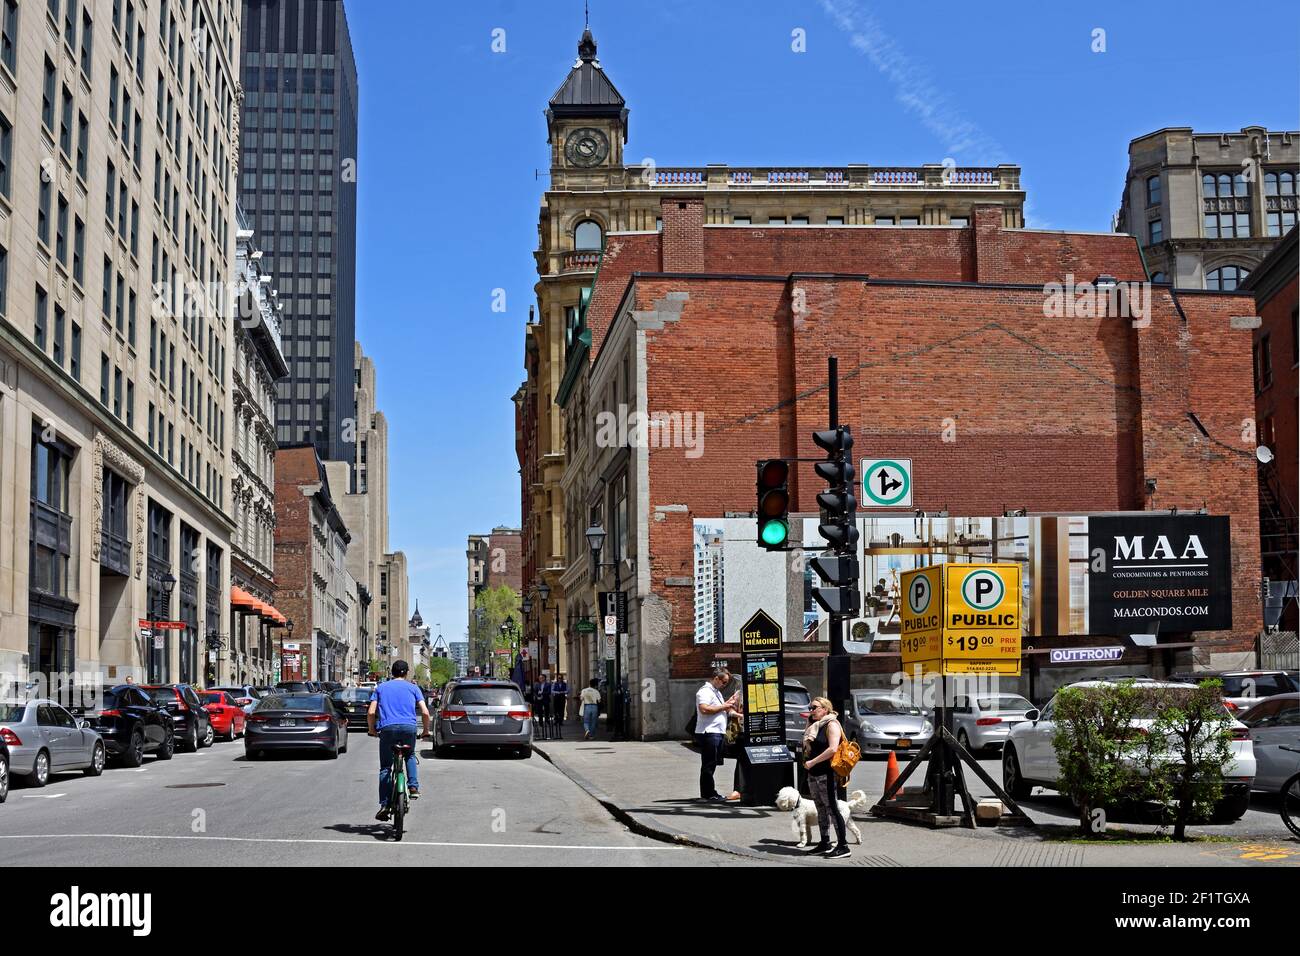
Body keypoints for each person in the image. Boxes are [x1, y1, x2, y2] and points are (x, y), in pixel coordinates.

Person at [367, 659, 431, 821]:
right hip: (409, 728)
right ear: (407, 672)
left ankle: (385, 804)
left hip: (387, 729)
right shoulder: (413, 688)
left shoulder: (381, 688)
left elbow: (371, 712)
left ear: (392, 673)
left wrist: (372, 729)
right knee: (409, 755)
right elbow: (424, 712)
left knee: (386, 768)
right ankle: (413, 787)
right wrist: (425, 731)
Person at [801, 696, 851, 858]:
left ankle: (843, 846)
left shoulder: (832, 724)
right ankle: (825, 842)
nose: (811, 711)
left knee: (832, 808)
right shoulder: (815, 725)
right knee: (820, 808)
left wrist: (812, 762)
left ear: (825, 709)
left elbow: (832, 749)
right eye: (810, 708)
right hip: (814, 773)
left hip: (826, 773)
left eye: (814, 707)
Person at [694, 667, 741, 803]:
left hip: (716, 732)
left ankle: (709, 793)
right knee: (709, 764)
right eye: (724, 682)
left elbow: (722, 710)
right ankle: (708, 794)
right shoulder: (705, 691)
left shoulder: (716, 692)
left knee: (712, 763)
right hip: (709, 732)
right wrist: (724, 706)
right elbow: (704, 709)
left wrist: (729, 707)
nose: (725, 685)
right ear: (716, 679)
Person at [551, 672, 569, 737]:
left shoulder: (565, 684)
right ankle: (556, 720)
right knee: (556, 709)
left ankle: (561, 721)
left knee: (562, 709)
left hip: (562, 697)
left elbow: (567, 690)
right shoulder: (554, 684)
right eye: (559, 678)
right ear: (557, 679)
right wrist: (557, 692)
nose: (560, 679)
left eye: (561, 678)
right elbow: (552, 690)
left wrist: (562, 692)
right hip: (556, 697)